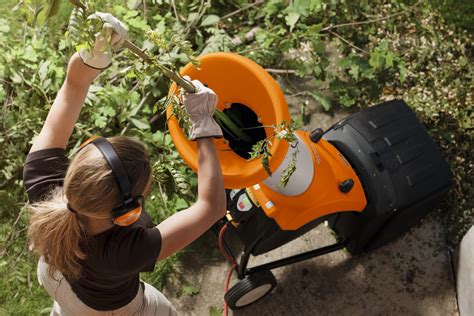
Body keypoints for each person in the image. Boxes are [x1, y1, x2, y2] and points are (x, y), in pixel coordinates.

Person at [24, 12, 226, 315]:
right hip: (107, 308)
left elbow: (73, 87)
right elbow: (212, 207)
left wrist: (93, 53)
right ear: (127, 213)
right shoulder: (124, 250)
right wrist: (204, 124)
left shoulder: (43, 183)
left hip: (55, 278)